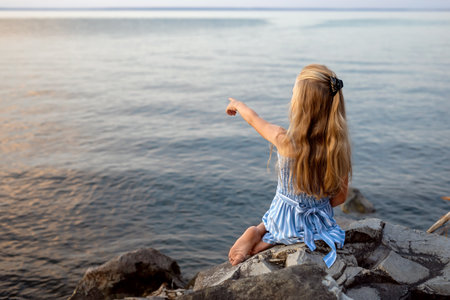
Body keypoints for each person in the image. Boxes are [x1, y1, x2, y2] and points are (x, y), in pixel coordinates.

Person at [226, 64, 351, 268]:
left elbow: (254, 120)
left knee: (275, 217)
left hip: (281, 217)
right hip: (317, 223)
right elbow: (341, 197)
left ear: (299, 105)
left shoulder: (283, 139)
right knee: (304, 219)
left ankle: (258, 232)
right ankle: (266, 237)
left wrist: (238, 105)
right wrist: (316, 206)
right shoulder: (339, 148)